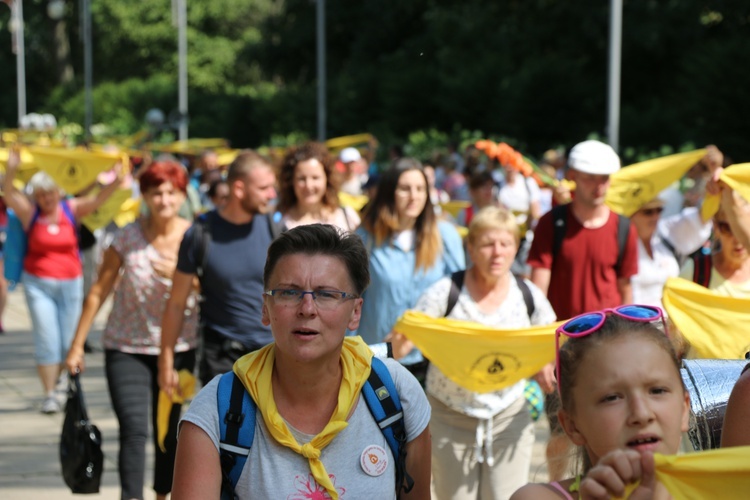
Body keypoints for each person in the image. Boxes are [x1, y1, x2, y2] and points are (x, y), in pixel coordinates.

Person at [172, 224, 432, 499]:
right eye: (289, 292)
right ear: (265, 308)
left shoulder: (395, 394)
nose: (307, 309)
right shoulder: (217, 409)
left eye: (327, 294)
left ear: (355, 312)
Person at [391, 206, 556, 500]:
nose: (497, 253)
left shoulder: (527, 295)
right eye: (487, 244)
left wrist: (545, 366)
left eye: (505, 244)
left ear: (515, 247)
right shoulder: (446, 292)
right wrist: (397, 346)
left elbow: (549, 340)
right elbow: (408, 337)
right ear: (471, 248)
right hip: (450, 414)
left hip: (509, 414)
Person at [66, 161, 198, 500]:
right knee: (135, 432)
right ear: (145, 196)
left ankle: (163, 494)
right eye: (157, 193)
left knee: (169, 433)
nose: (164, 200)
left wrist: (186, 276)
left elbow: (215, 288)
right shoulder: (127, 236)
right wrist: (77, 345)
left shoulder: (196, 236)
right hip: (126, 347)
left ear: (183, 195)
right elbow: (98, 291)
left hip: (179, 348)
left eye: (172, 193)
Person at [526, 139, 639, 480]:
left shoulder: (623, 227)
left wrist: (632, 347)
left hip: (609, 349)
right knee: (562, 434)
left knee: (613, 430)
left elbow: (626, 292)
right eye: (591, 177)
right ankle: (561, 490)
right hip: (562, 350)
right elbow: (537, 293)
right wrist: (540, 354)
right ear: (573, 176)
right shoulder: (552, 224)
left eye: (605, 177)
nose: (599, 185)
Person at [511, 306, 690, 499]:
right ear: (572, 426)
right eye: (612, 398)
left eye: (657, 391)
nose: (641, 413)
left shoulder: (716, 491)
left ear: (684, 408)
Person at [2, 148, 124, 413]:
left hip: (70, 283)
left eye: (50, 192)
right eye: (41, 194)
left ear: (59, 192)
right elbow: (9, 193)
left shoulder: (72, 208)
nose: (46, 198)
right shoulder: (30, 213)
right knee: (47, 339)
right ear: (36, 196)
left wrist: (118, 173)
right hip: (38, 283)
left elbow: (101, 198)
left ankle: (61, 385)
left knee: (69, 341)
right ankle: (50, 394)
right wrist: (12, 167)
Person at [159, 150, 278, 393]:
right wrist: (166, 360)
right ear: (239, 188)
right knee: (228, 431)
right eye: (264, 188)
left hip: (272, 355)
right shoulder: (200, 234)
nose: (272, 195)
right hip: (221, 359)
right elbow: (176, 303)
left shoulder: (275, 230)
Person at [355, 158, 465, 348]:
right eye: (405, 189)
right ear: (390, 192)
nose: (414, 196)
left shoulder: (445, 235)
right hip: (377, 354)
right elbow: (350, 299)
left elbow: (458, 295)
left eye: (420, 189)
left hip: (429, 354)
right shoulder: (366, 237)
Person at [630, 194, 713, 308]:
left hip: (669, 320)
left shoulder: (663, 233)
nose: (655, 216)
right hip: (634, 321)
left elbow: (699, 220)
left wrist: (713, 194)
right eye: (648, 212)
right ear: (630, 215)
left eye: (659, 210)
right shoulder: (620, 245)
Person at [277, 141, 360, 231]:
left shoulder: (347, 218)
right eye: (301, 179)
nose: (308, 185)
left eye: (315, 178)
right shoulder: (279, 221)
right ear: (291, 180)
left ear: (327, 179)